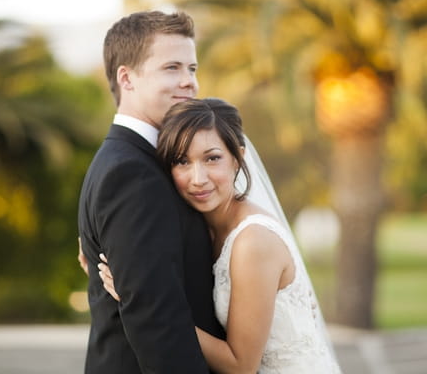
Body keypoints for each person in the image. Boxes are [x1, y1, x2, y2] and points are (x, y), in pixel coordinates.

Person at [98, 98, 342, 373]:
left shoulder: (253, 240)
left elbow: (241, 366)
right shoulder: (200, 227)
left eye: (212, 158)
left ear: (237, 158)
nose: (198, 178)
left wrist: (144, 298)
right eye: (182, 161)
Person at [77, 11, 224, 374]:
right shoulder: (131, 173)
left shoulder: (140, 161)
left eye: (192, 68)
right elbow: (157, 321)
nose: (189, 82)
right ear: (126, 78)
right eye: (172, 68)